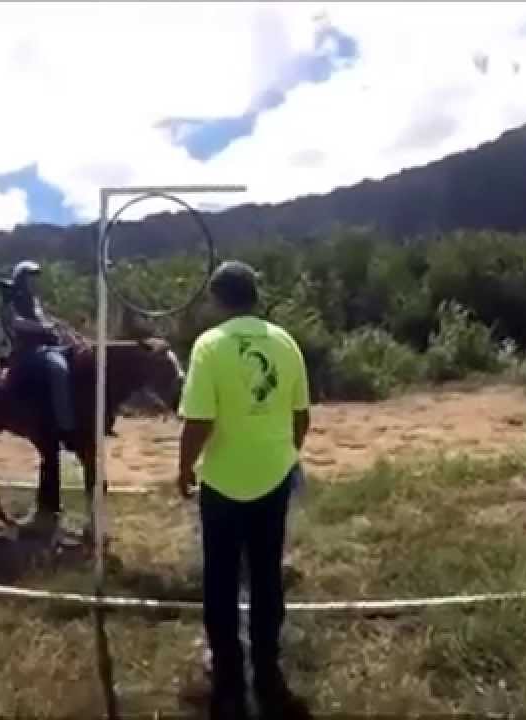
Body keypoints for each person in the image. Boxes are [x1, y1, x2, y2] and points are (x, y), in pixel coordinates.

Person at [177, 260, 312, 720]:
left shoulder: (209, 346)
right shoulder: (286, 342)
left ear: (217, 299)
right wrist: (284, 454)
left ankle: (228, 668)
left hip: (223, 480)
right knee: (266, 571)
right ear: (255, 296)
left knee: (220, 575)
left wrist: (183, 468)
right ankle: (267, 664)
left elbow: (199, 421)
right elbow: (301, 415)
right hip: (274, 475)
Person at [0, 261, 77, 444]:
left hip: (48, 346)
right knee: (59, 368)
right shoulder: (12, 300)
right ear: (20, 279)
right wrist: (45, 326)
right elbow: (16, 322)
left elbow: (46, 319)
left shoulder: (34, 300)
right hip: (28, 350)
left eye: (34, 278)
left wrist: (65, 330)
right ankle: (66, 429)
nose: (33, 282)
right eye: (29, 278)